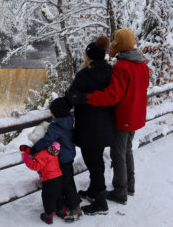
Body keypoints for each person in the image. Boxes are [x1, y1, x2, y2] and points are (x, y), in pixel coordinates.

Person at [65, 28, 149, 205]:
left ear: (119, 44)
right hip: (137, 115)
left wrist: (86, 98)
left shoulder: (121, 67)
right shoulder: (142, 65)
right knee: (127, 150)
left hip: (124, 116)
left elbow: (112, 95)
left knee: (117, 153)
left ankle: (120, 191)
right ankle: (129, 186)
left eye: (115, 41)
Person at [65, 35, 115, 215]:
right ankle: (94, 191)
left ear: (89, 57)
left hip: (88, 128)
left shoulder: (84, 75)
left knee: (93, 164)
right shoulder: (110, 72)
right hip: (105, 126)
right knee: (97, 160)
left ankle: (101, 204)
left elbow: (70, 96)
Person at [20, 97, 82, 222]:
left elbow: (47, 140)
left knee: (66, 182)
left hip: (62, 158)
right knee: (65, 180)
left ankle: (75, 207)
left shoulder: (56, 127)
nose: (50, 113)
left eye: (51, 111)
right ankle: (64, 204)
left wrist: (33, 149)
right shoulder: (67, 120)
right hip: (68, 154)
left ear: (57, 114)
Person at [21, 141, 64, 224]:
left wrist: (26, 159)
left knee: (48, 197)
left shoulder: (43, 153)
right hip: (59, 177)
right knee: (58, 194)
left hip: (49, 180)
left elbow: (36, 166)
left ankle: (48, 216)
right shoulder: (54, 153)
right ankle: (61, 211)